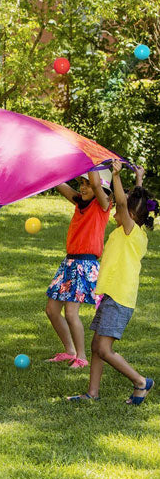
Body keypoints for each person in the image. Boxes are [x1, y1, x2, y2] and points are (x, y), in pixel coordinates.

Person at [68, 161, 157, 404]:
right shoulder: (127, 229)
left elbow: (124, 204)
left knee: (104, 349)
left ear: (130, 215)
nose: (116, 208)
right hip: (110, 296)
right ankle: (92, 393)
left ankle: (141, 382)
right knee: (96, 346)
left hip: (118, 299)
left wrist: (116, 176)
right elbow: (133, 201)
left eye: (120, 206)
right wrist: (138, 178)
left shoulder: (131, 231)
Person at [45, 168, 113, 368]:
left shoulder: (103, 205)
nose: (83, 187)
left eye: (88, 184)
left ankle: (81, 357)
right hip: (69, 263)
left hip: (85, 264)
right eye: (81, 183)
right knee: (52, 310)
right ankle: (70, 351)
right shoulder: (79, 203)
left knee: (71, 313)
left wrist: (93, 164)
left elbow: (97, 185)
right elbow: (58, 182)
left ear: (101, 188)